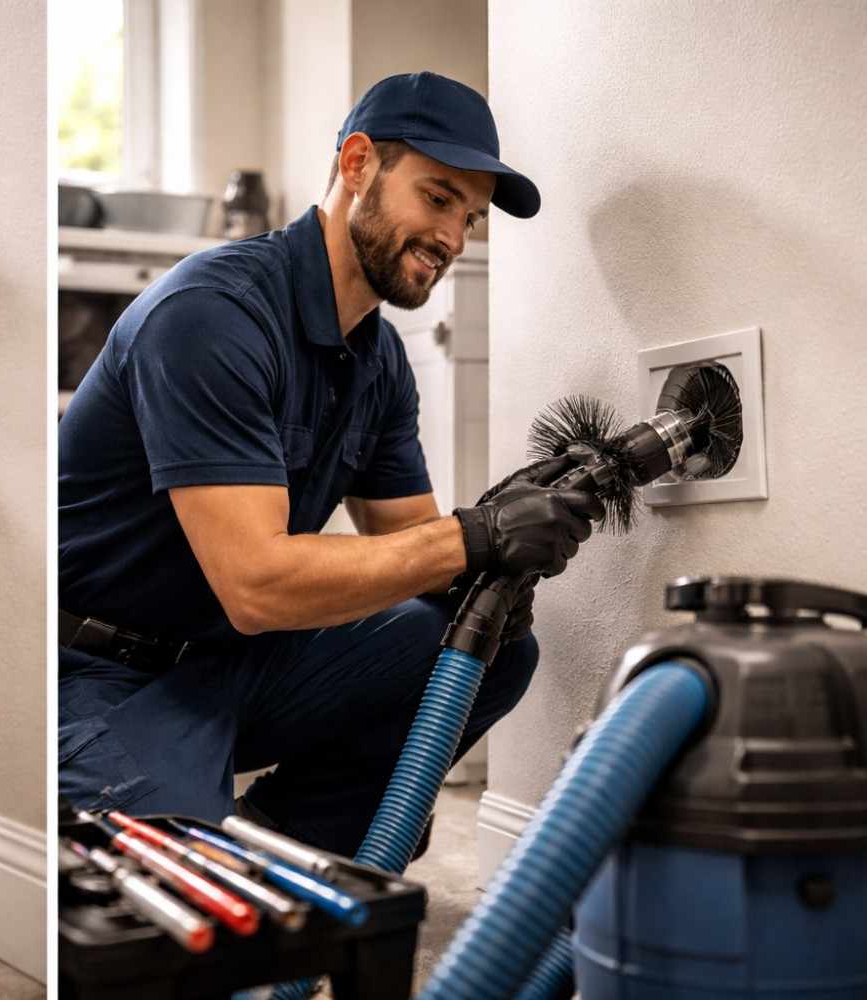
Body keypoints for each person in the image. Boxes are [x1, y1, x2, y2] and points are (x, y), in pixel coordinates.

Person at [57, 72, 603, 857]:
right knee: (177, 918)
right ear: (356, 167)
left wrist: (501, 538)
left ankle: (294, 847)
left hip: (230, 665)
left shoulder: (377, 360)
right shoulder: (213, 316)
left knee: (488, 647)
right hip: (94, 677)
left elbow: (416, 551)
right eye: (438, 197)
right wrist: (471, 538)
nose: (454, 238)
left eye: (471, 218)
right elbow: (256, 584)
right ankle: (205, 848)